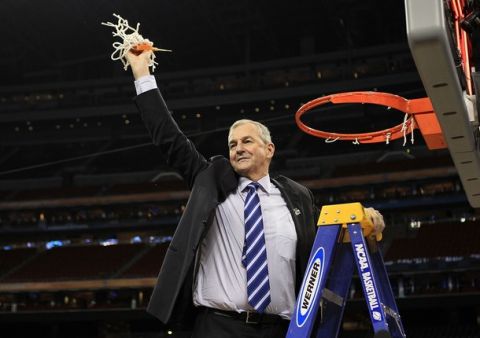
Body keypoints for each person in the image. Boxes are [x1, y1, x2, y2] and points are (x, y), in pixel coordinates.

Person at [125, 48, 385, 337]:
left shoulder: (298, 197)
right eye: (233, 144)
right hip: (218, 326)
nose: (238, 148)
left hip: (282, 329)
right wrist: (141, 72)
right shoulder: (212, 180)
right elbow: (168, 137)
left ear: (269, 149)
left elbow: (324, 248)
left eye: (247, 141)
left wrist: (363, 222)